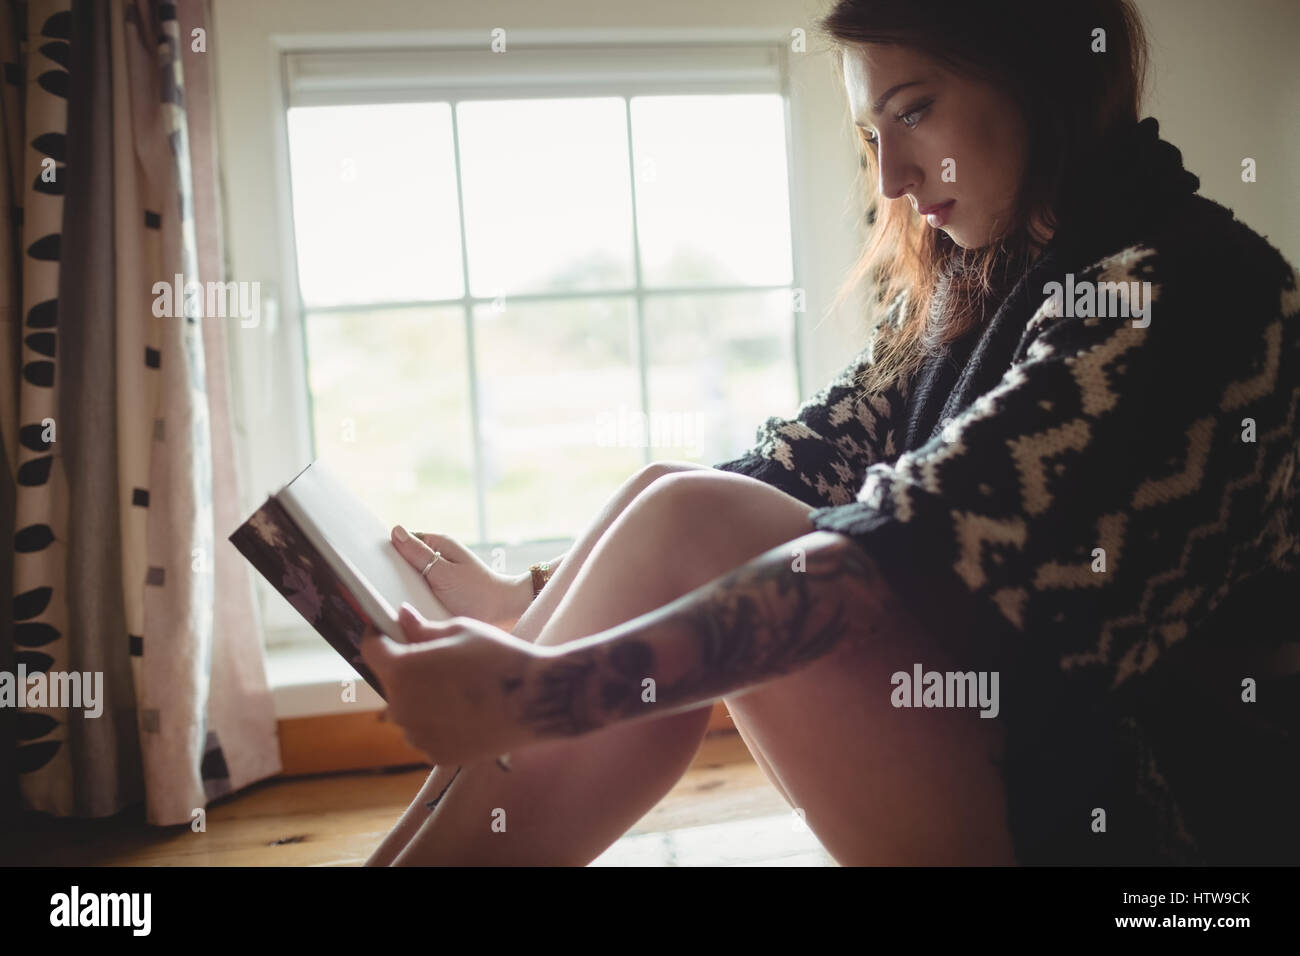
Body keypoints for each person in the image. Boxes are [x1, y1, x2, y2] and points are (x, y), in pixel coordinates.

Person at [359, 0, 1300, 865]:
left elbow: (889, 562)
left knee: (696, 521)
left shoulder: (1197, 291)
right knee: (672, 491)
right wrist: (534, 601)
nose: (889, 178)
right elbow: (788, 469)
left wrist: (549, 689)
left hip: (1166, 859)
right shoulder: (995, 292)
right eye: (870, 133)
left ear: (1041, 69)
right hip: (1016, 765)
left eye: (915, 110)